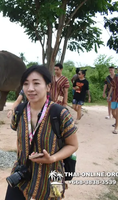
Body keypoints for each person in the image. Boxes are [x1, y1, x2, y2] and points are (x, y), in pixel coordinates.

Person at [5, 65, 78, 200]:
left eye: (36, 83)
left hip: (51, 179)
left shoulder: (60, 114)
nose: (30, 88)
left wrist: (52, 158)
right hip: (21, 175)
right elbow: (19, 139)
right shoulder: (19, 112)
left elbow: (73, 145)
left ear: (48, 87)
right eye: (26, 84)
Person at [107, 65, 118, 134]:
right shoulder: (115, 79)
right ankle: (117, 121)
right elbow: (112, 87)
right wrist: (109, 95)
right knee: (113, 113)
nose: (117, 71)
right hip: (114, 97)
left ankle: (116, 128)